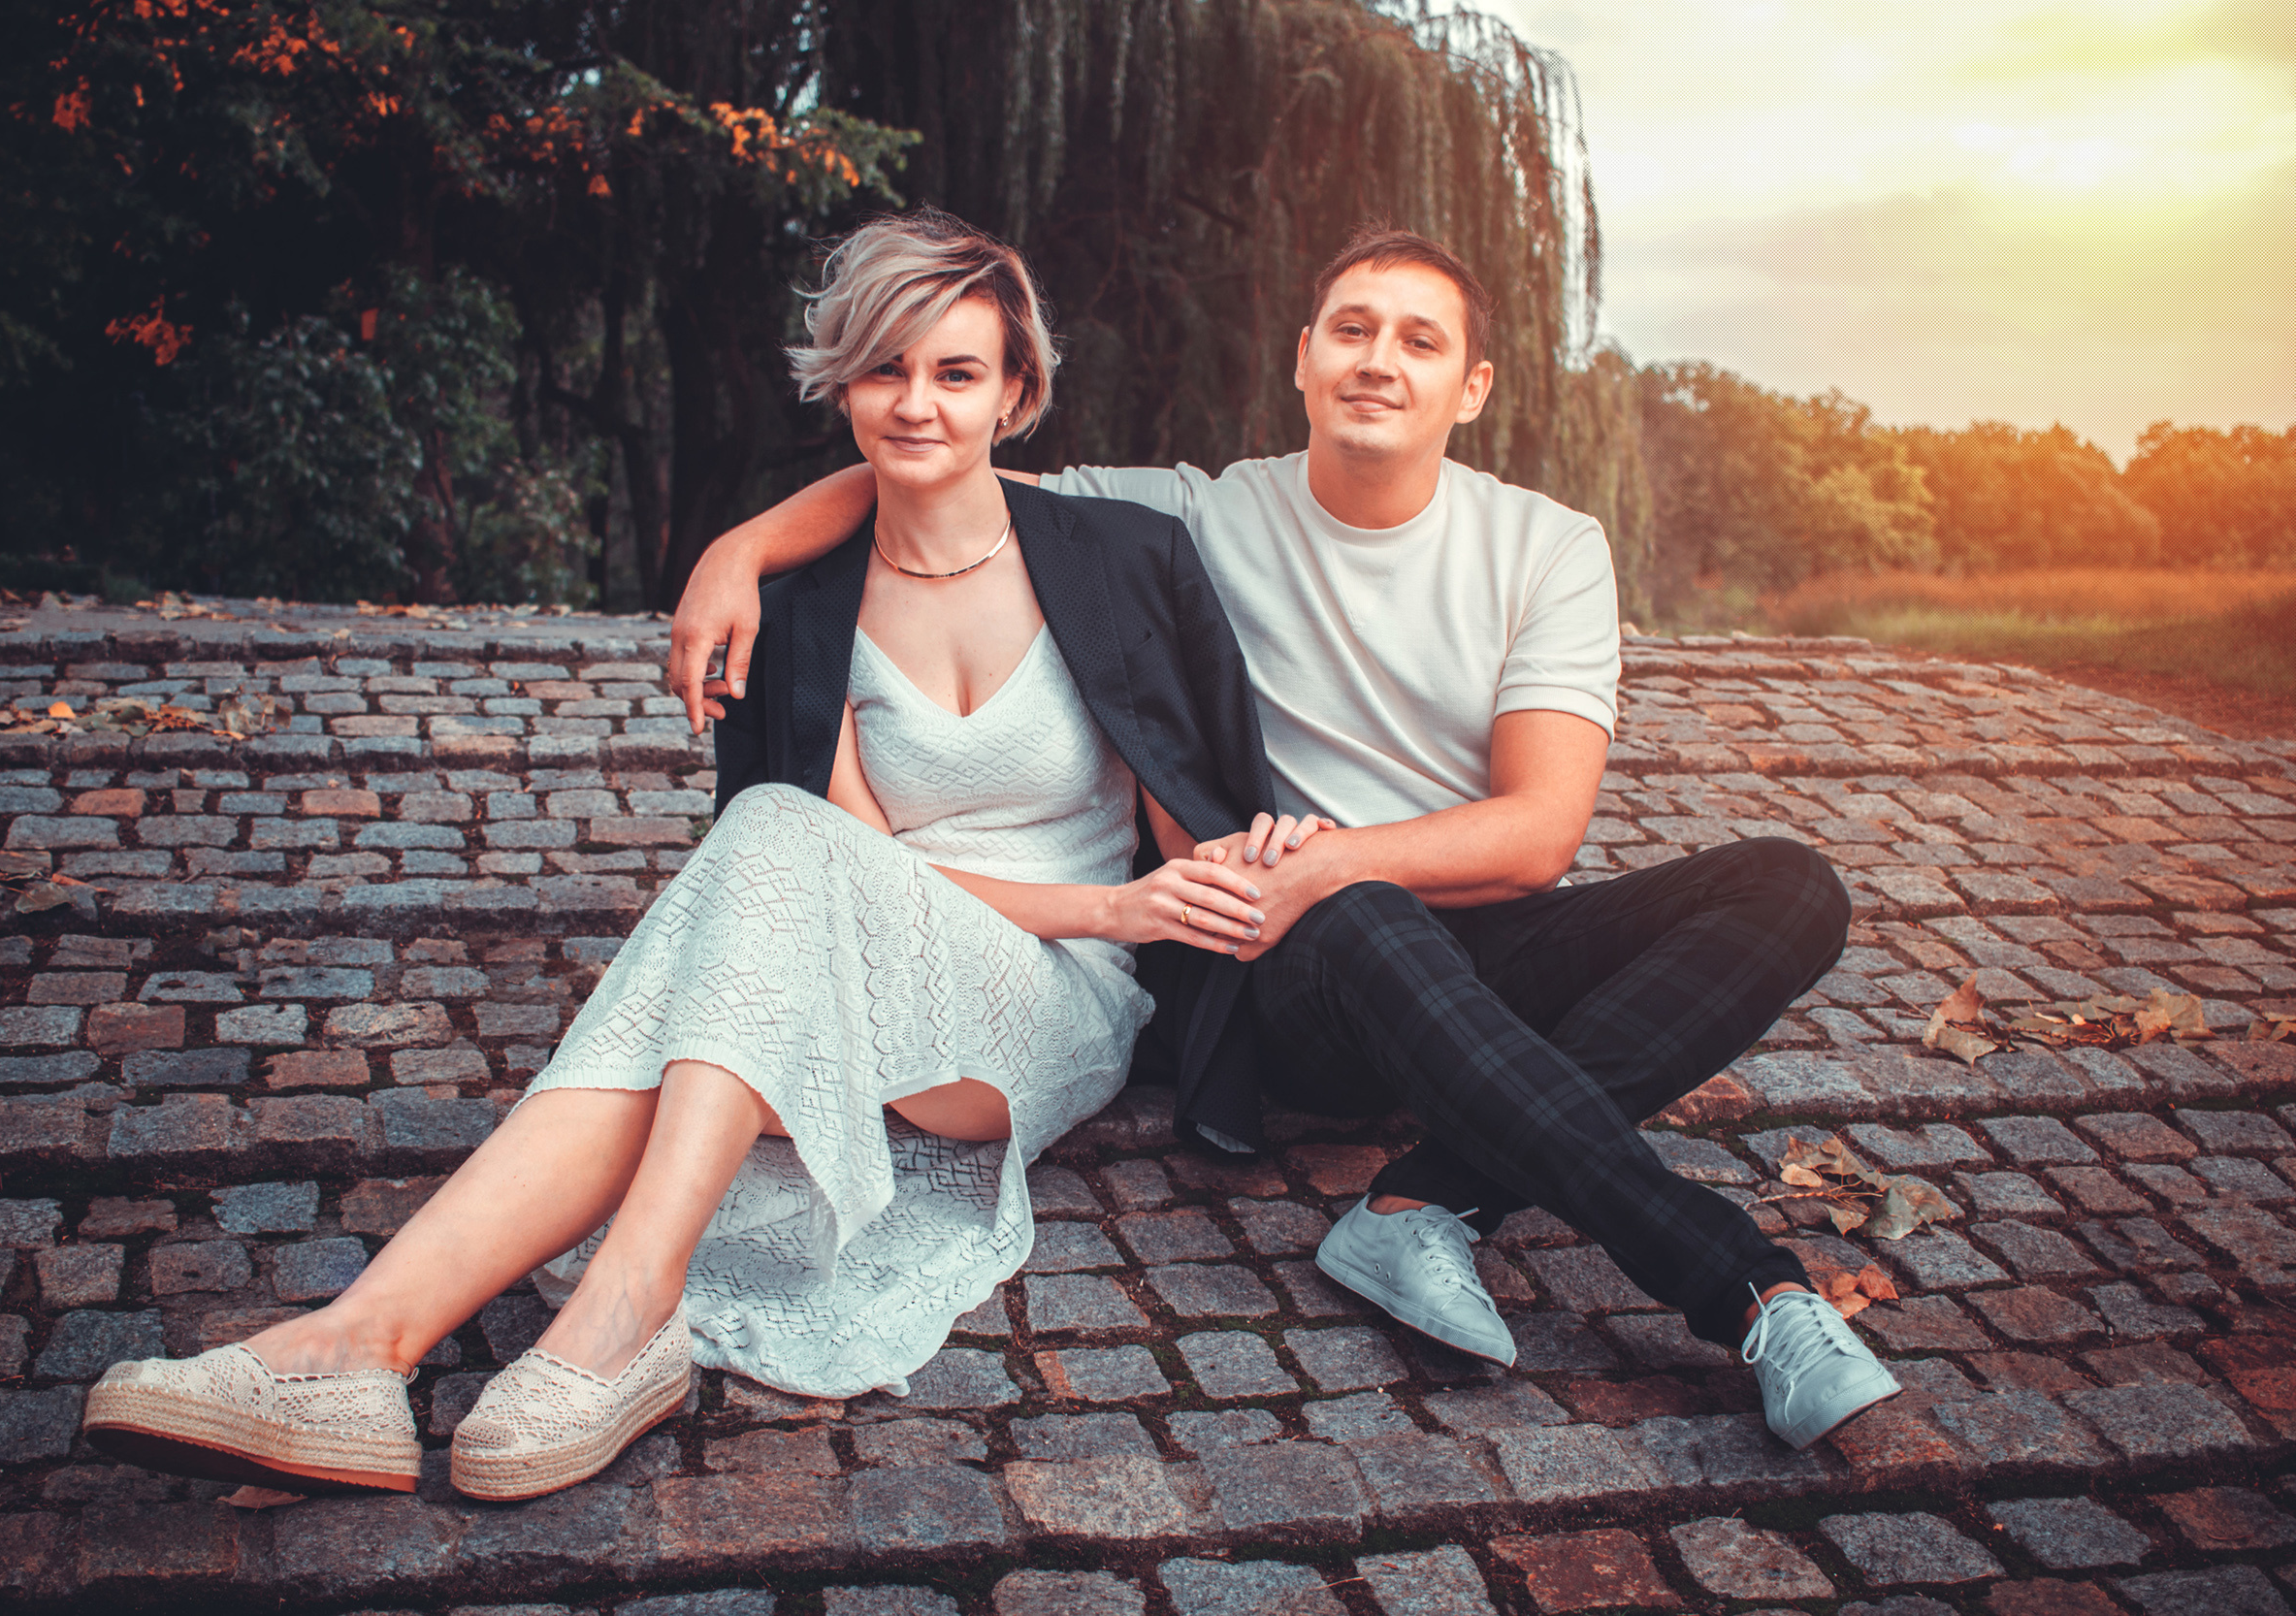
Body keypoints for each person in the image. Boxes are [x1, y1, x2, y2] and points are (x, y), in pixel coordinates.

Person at [80, 209, 1274, 1501]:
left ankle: (611, 1314)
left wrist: (1123, 907)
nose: (916, 404)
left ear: (1016, 393)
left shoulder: (1128, 557)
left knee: (769, 841)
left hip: (1054, 996)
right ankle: (359, 1348)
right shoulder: (807, 608)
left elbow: (1197, 810)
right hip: (868, 955)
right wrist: (743, 549)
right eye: (886, 369)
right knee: (774, 842)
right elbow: (856, 860)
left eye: (957, 372)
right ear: (846, 384)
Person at [668, 224, 1900, 1450]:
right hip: (1276, 963)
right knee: (1356, 912)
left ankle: (1430, 1195)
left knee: (1788, 887)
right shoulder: (1197, 512)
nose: (1379, 360)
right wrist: (742, 550)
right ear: (1302, 360)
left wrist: (1333, 855)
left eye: (1420, 341)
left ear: (1468, 388)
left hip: (1455, 930)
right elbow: (938, 460)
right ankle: (1749, 1292)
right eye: (1352, 330)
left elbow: (1535, 837)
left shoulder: (1548, 546)